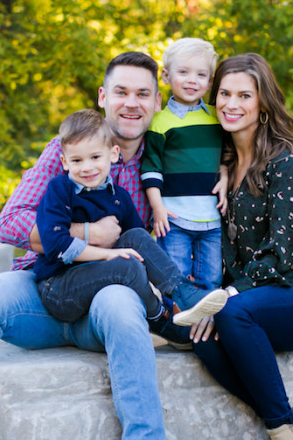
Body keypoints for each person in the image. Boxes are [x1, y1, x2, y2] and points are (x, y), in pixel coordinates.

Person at [0, 52, 177, 440]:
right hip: (43, 290)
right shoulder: (67, 151)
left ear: (156, 102)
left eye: (142, 94)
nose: (131, 103)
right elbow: (10, 222)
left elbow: (164, 243)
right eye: (121, 92)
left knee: (122, 306)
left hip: (106, 298)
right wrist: (87, 233)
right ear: (103, 96)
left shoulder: (160, 162)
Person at [191, 53, 293, 440]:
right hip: (248, 300)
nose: (231, 104)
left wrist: (229, 294)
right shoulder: (220, 162)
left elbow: (285, 254)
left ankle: (283, 434)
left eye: (244, 95)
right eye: (224, 93)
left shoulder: (285, 164)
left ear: (263, 105)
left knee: (231, 312)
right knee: (199, 334)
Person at [34, 109, 227, 336]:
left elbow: (139, 247)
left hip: (96, 274)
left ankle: (182, 292)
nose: (87, 167)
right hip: (58, 287)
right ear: (65, 162)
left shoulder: (119, 196)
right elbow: (56, 246)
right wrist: (107, 254)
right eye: (77, 160)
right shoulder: (59, 189)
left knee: (136, 236)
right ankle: (160, 319)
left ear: (113, 154)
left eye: (95, 157)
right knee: (126, 265)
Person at [140, 38, 226, 293]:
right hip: (173, 218)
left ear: (210, 82)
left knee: (211, 279)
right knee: (175, 278)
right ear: (166, 76)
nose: (192, 80)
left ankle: (207, 326)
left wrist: (226, 173)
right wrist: (157, 208)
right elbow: (151, 169)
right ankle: (178, 328)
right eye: (183, 72)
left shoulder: (216, 117)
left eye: (201, 74)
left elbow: (228, 156)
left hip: (212, 219)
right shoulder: (160, 122)